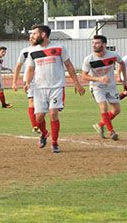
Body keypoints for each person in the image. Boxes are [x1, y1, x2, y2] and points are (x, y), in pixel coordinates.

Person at [24, 24, 85, 153]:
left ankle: (54, 143)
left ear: (43, 34)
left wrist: (77, 83)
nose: (32, 36)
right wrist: (27, 82)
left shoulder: (59, 47)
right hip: (39, 88)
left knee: (53, 113)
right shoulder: (32, 51)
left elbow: (69, 65)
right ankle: (45, 133)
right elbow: (30, 68)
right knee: (39, 118)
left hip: (57, 87)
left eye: (34, 33)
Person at [82, 35, 127, 140]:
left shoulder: (113, 55)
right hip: (97, 87)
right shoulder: (89, 59)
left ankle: (100, 125)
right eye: (93, 43)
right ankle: (111, 132)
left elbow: (122, 63)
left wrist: (123, 78)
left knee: (116, 110)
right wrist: (99, 79)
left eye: (97, 43)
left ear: (104, 44)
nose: (94, 45)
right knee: (103, 107)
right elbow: (84, 76)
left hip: (111, 86)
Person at [12, 34, 39, 133]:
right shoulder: (25, 51)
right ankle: (35, 126)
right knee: (31, 101)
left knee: (41, 103)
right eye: (30, 38)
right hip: (30, 80)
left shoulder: (44, 50)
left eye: (33, 37)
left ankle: (40, 123)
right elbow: (18, 66)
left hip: (44, 79)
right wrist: (14, 82)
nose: (31, 39)